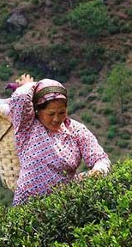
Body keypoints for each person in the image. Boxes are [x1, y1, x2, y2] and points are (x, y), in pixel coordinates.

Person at [9, 74, 111, 206]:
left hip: (63, 203)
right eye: (51, 114)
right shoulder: (27, 127)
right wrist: (31, 85)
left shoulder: (75, 130)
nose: (56, 119)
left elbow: (100, 158)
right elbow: (20, 98)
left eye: (62, 112)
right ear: (38, 111)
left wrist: (98, 170)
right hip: (27, 204)